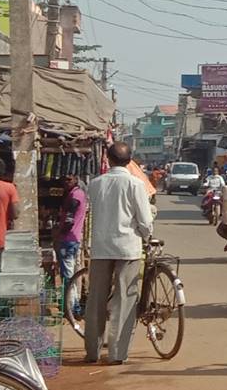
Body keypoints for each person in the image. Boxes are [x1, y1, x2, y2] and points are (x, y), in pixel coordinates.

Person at [84, 142, 155, 366]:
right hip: (127, 247)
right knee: (124, 300)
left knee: (96, 299)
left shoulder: (95, 184)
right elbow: (144, 220)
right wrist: (147, 236)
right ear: (129, 160)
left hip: (101, 247)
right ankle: (117, 353)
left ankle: (93, 351)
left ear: (108, 159)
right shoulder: (136, 185)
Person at [56, 174, 88, 282]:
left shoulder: (75, 195)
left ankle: (71, 298)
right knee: (70, 271)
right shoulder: (76, 194)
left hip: (68, 239)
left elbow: (70, 218)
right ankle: (72, 297)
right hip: (73, 238)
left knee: (67, 273)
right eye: (64, 180)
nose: (66, 182)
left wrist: (61, 233)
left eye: (69, 179)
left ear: (76, 180)